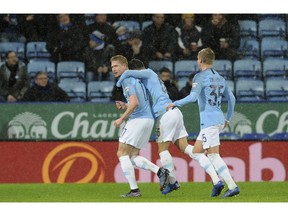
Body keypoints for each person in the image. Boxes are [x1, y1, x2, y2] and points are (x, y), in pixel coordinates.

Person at [116, 59, 224, 196]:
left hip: (165, 114)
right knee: (187, 148)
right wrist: (126, 105)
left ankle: (172, 182)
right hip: (174, 112)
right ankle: (216, 180)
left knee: (162, 150)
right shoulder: (148, 82)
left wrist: (119, 81)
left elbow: (126, 73)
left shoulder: (147, 73)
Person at [166, 48, 240, 197]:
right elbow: (232, 98)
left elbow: (193, 97)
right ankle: (217, 181)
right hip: (218, 119)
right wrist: (228, 118)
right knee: (197, 151)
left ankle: (232, 186)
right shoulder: (220, 77)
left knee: (213, 155)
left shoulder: (199, 77)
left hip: (209, 121)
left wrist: (175, 103)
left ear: (200, 59)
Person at [110, 55, 169, 198]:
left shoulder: (127, 80)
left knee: (121, 153)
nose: (114, 69)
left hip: (138, 119)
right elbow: (138, 102)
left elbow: (135, 103)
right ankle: (159, 171)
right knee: (132, 156)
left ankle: (134, 190)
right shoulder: (137, 80)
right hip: (147, 119)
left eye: (116, 66)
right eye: (112, 67)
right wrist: (125, 105)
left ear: (125, 66)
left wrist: (121, 118)